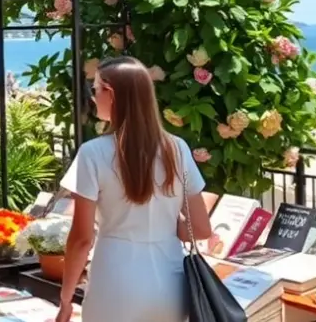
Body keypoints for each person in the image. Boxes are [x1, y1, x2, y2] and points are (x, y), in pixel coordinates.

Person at [54, 56, 212, 322]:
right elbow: (202, 229)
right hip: (170, 287)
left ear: (111, 94)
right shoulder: (178, 148)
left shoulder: (93, 153)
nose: (93, 97)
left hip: (115, 285)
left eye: (95, 90)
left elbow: (81, 239)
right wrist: (164, 223)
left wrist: (66, 299)